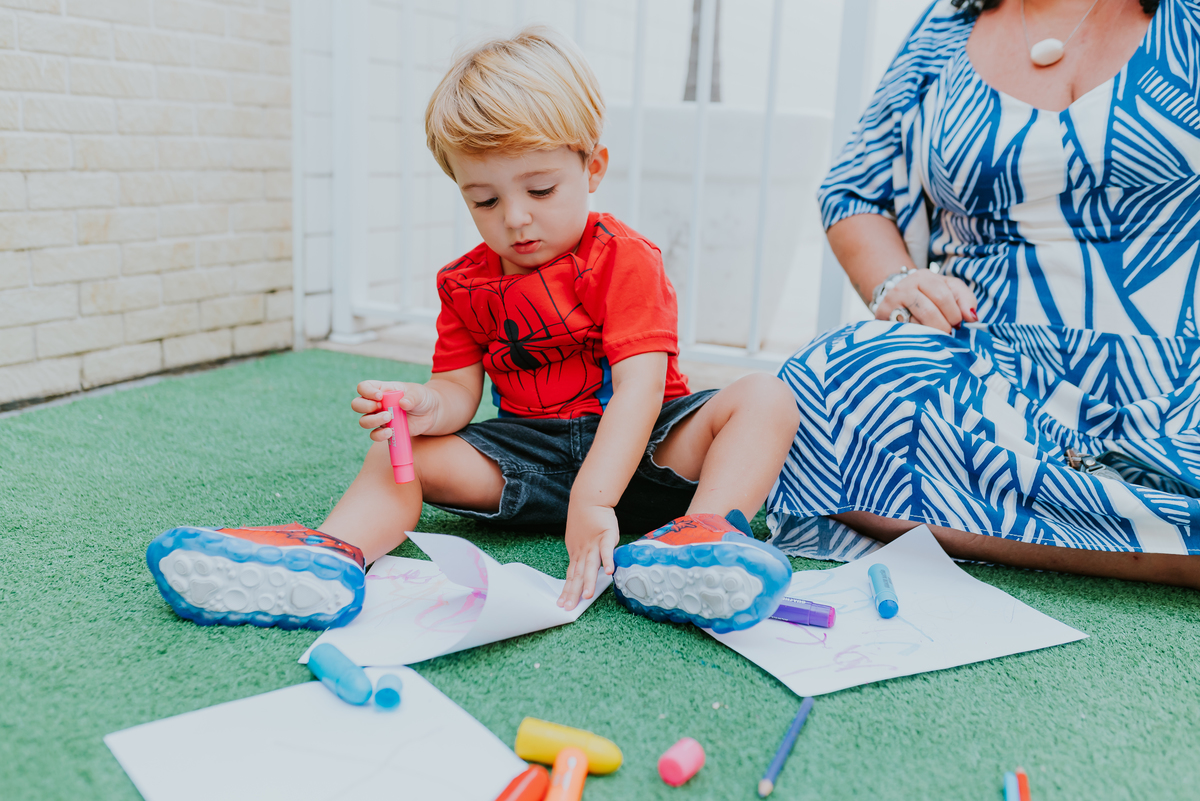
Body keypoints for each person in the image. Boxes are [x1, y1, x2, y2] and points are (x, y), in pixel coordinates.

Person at [146, 27, 800, 633]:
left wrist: (596, 499)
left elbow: (640, 388)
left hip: (643, 454)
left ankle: (704, 538)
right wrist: (426, 405)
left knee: (765, 399)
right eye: (484, 199)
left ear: (592, 168)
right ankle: (333, 554)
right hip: (531, 457)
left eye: (540, 189)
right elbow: (458, 390)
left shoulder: (625, 258)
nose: (515, 218)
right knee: (398, 449)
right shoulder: (464, 283)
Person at [768, 0, 1200, 587]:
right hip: (990, 380)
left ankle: (1017, 523)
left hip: (1179, 379)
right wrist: (897, 283)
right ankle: (1162, 539)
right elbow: (854, 192)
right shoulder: (947, 26)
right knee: (820, 383)